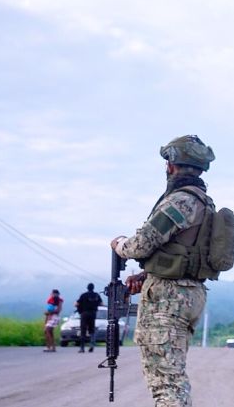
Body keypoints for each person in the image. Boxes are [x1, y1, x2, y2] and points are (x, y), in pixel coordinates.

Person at [110, 135, 216, 407]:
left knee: (166, 382)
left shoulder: (181, 200)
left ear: (171, 165)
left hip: (168, 298)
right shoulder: (204, 202)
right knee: (171, 375)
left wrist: (120, 244)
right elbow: (185, 253)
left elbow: (142, 243)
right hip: (188, 293)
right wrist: (147, 275)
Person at [75, 283, 104, 353]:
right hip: (93, 314)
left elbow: (76, 304)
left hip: (84, 314)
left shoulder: (83, 295)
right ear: (93, 288)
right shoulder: (96, 295)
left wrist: (80, 308)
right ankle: (91, 345)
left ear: (87, 288)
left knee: (83, 331)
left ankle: (82, 348)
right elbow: (101, 304)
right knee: (92, 330)